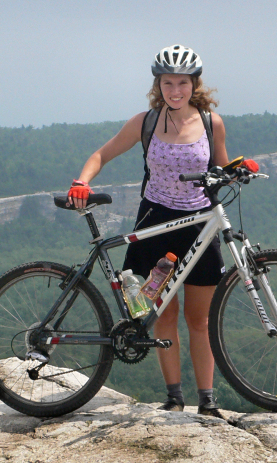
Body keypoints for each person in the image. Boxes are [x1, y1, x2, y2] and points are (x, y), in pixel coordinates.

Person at [68, 44, 243, 419]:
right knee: (163, 315)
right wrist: (82, 181)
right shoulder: (144, 123)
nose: (175, 90)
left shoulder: (212, 123)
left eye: (182, 82)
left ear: (194, 84)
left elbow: (224, 166)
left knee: (200, 319)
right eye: (167, 83)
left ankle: (208, 400)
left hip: (198, 225)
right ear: (157, 84)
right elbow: (102, 154)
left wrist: (241, 169)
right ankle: (174, 397)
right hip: (155, 226)